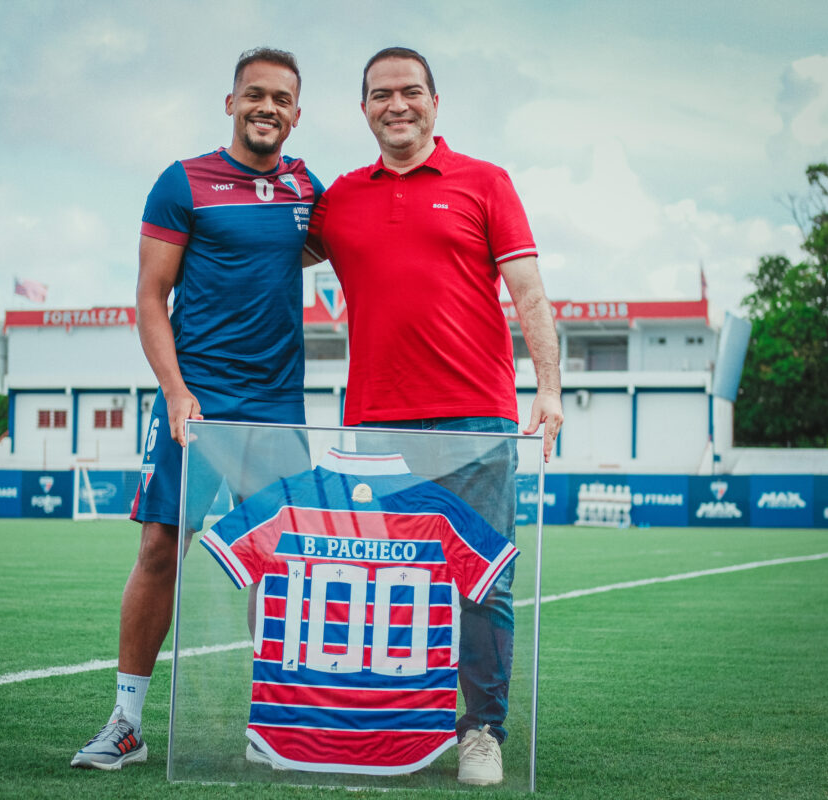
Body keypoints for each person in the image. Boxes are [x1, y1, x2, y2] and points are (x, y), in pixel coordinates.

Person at [304, 46, 564, 786]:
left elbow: (530, 294)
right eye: (381, 94)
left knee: (481, 581)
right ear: (363, 110)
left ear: (434, 101)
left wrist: (547, 388)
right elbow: (263, 249)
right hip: (375, 425)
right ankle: (395, 726)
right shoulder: (341, 198)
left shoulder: (485, 181)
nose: (397, 105)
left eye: (410, 91)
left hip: (476, 422)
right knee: (386, 581)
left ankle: (480, 732)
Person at [71, 47, 323, 771]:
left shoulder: (308, 187)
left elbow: (323, 246)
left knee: (280, 560)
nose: (266, 107)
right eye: (254, 94)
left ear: (297, 114)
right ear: (231, 102)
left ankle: (272, 723)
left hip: (277, 407)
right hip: (197, 401)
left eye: (281, 98)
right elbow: (151, 297)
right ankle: (126, 723)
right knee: (160, 550)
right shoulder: (182, 183)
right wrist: (177, 390)